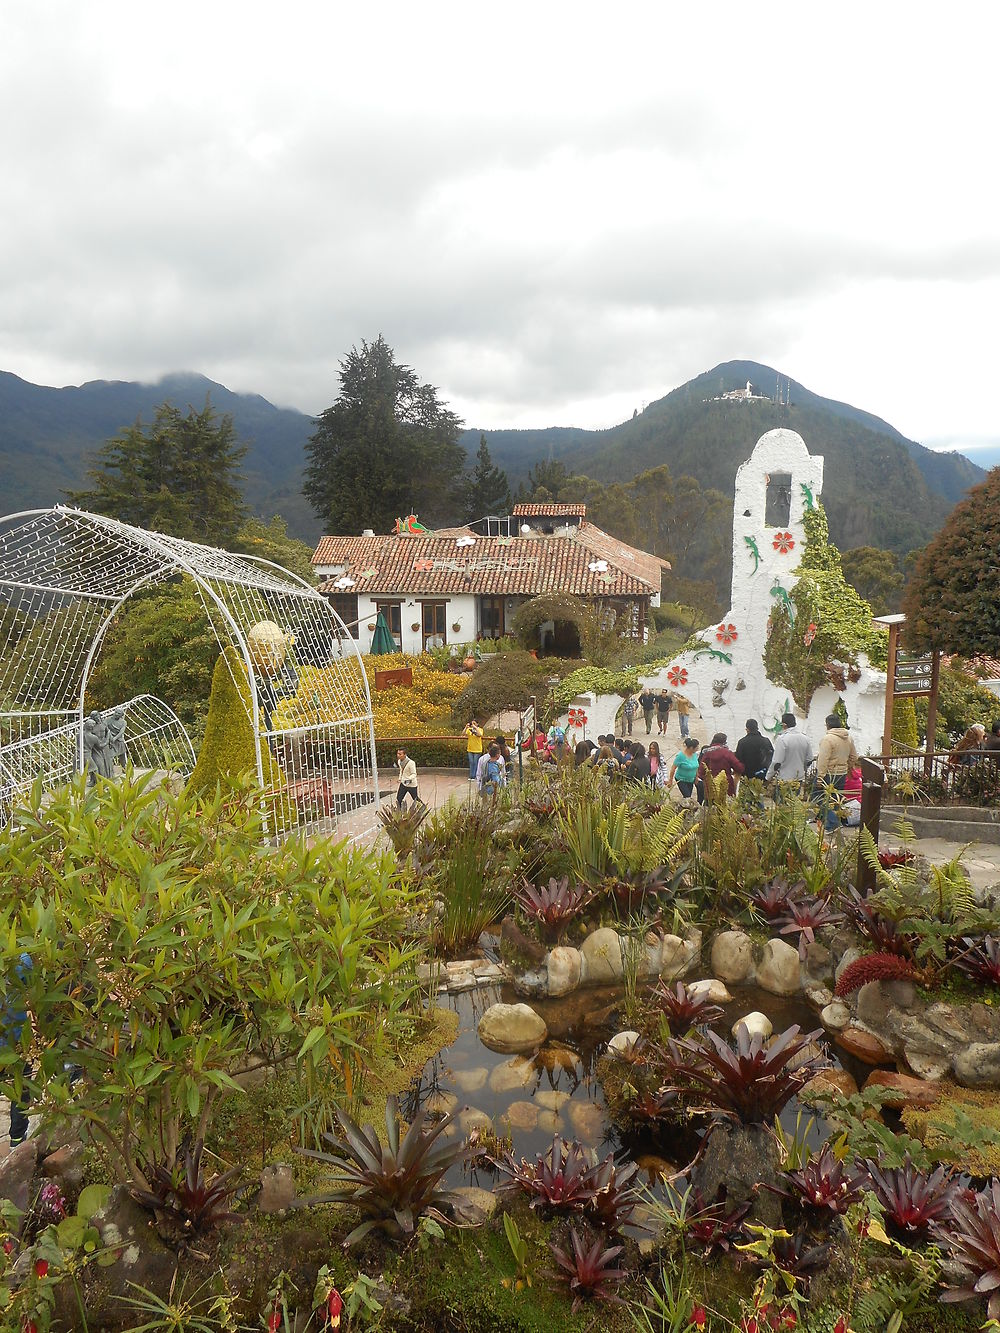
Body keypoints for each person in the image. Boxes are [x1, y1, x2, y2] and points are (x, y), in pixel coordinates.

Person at [1, 952, 32, 1147]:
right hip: (14, 1042)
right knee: (22, 1088)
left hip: (12, 1040)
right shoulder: (23, 960)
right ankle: (17, 1141)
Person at [815, 713, 859, 832]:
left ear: (828, 725)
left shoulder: (827, 739)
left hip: (829, 774)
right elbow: (854, 756)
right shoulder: (848, 738)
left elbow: (823, 760)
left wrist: (820, 777)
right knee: (835, 799)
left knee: (818, 798)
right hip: (842, 773)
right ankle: (830, 823)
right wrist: (847, 766)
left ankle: (833, 822)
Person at [766, 713, 815, 789]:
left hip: (784, 779)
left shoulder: (782, 739)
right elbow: (809, 759)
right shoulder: (805, 739)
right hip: (799, 778)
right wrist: (803, 769)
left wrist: (768, 777)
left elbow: (777, 762)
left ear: (784, 725)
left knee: (782, 800)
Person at [697, 732, 745, 800]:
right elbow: (739, 768)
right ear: (724, 742)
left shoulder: (707, 753)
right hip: (726, 785)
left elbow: (701, 772)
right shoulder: (727, 753)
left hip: (711, 787)